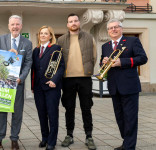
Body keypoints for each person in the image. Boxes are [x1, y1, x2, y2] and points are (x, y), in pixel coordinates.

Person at [0, 15, 32, 150]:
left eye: (17, 24)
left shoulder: (27, 43)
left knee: (17, 113)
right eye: (12, 24)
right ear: (9, 26)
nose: (15, 27)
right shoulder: (1, 39)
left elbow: (28, 62)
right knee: (1, 111)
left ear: (21, 26)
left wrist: (21, 78)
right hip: (3, 83)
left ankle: (14, 139)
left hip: (18, 84)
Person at [101, 19, 148, 150]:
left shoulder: (132, 41)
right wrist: (104, 62)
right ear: (108, 31)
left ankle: (129, 146)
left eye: (116, 27)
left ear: (121, 28)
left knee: (130, 118)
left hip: (129, 86)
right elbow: (102, 64)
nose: (113, 30)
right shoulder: (105, 46)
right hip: (114, 87)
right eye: (110, 28)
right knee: (120, 118)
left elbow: (142, 58)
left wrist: (123, 62)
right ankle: (126, 142)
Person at [57, 13, 97, 150]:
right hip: (67, 79)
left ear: (79, 23)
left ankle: (89, 136)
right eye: (70, 21)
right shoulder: (61, 40)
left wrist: (87, 70)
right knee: (69, 108)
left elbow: (94, 56)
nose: (73, 23)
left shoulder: (89, 37)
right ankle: (69, 135)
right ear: (67, 24)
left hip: (85, 78)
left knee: (86, 108)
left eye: (75, 21)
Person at [31, 26, 65, 150]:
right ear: (39, 35)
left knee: (52, 114)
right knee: (41, 114)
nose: (43, 35)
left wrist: (54, 81)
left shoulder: (56, 48)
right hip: (38, 88)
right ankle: (44, 138)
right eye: (41, 33)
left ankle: (52, 141)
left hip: (51, 87)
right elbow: (34, 69)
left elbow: (61, 67)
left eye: (46, 33)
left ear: (51, 36)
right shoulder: (35, 50)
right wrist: (32, 86)